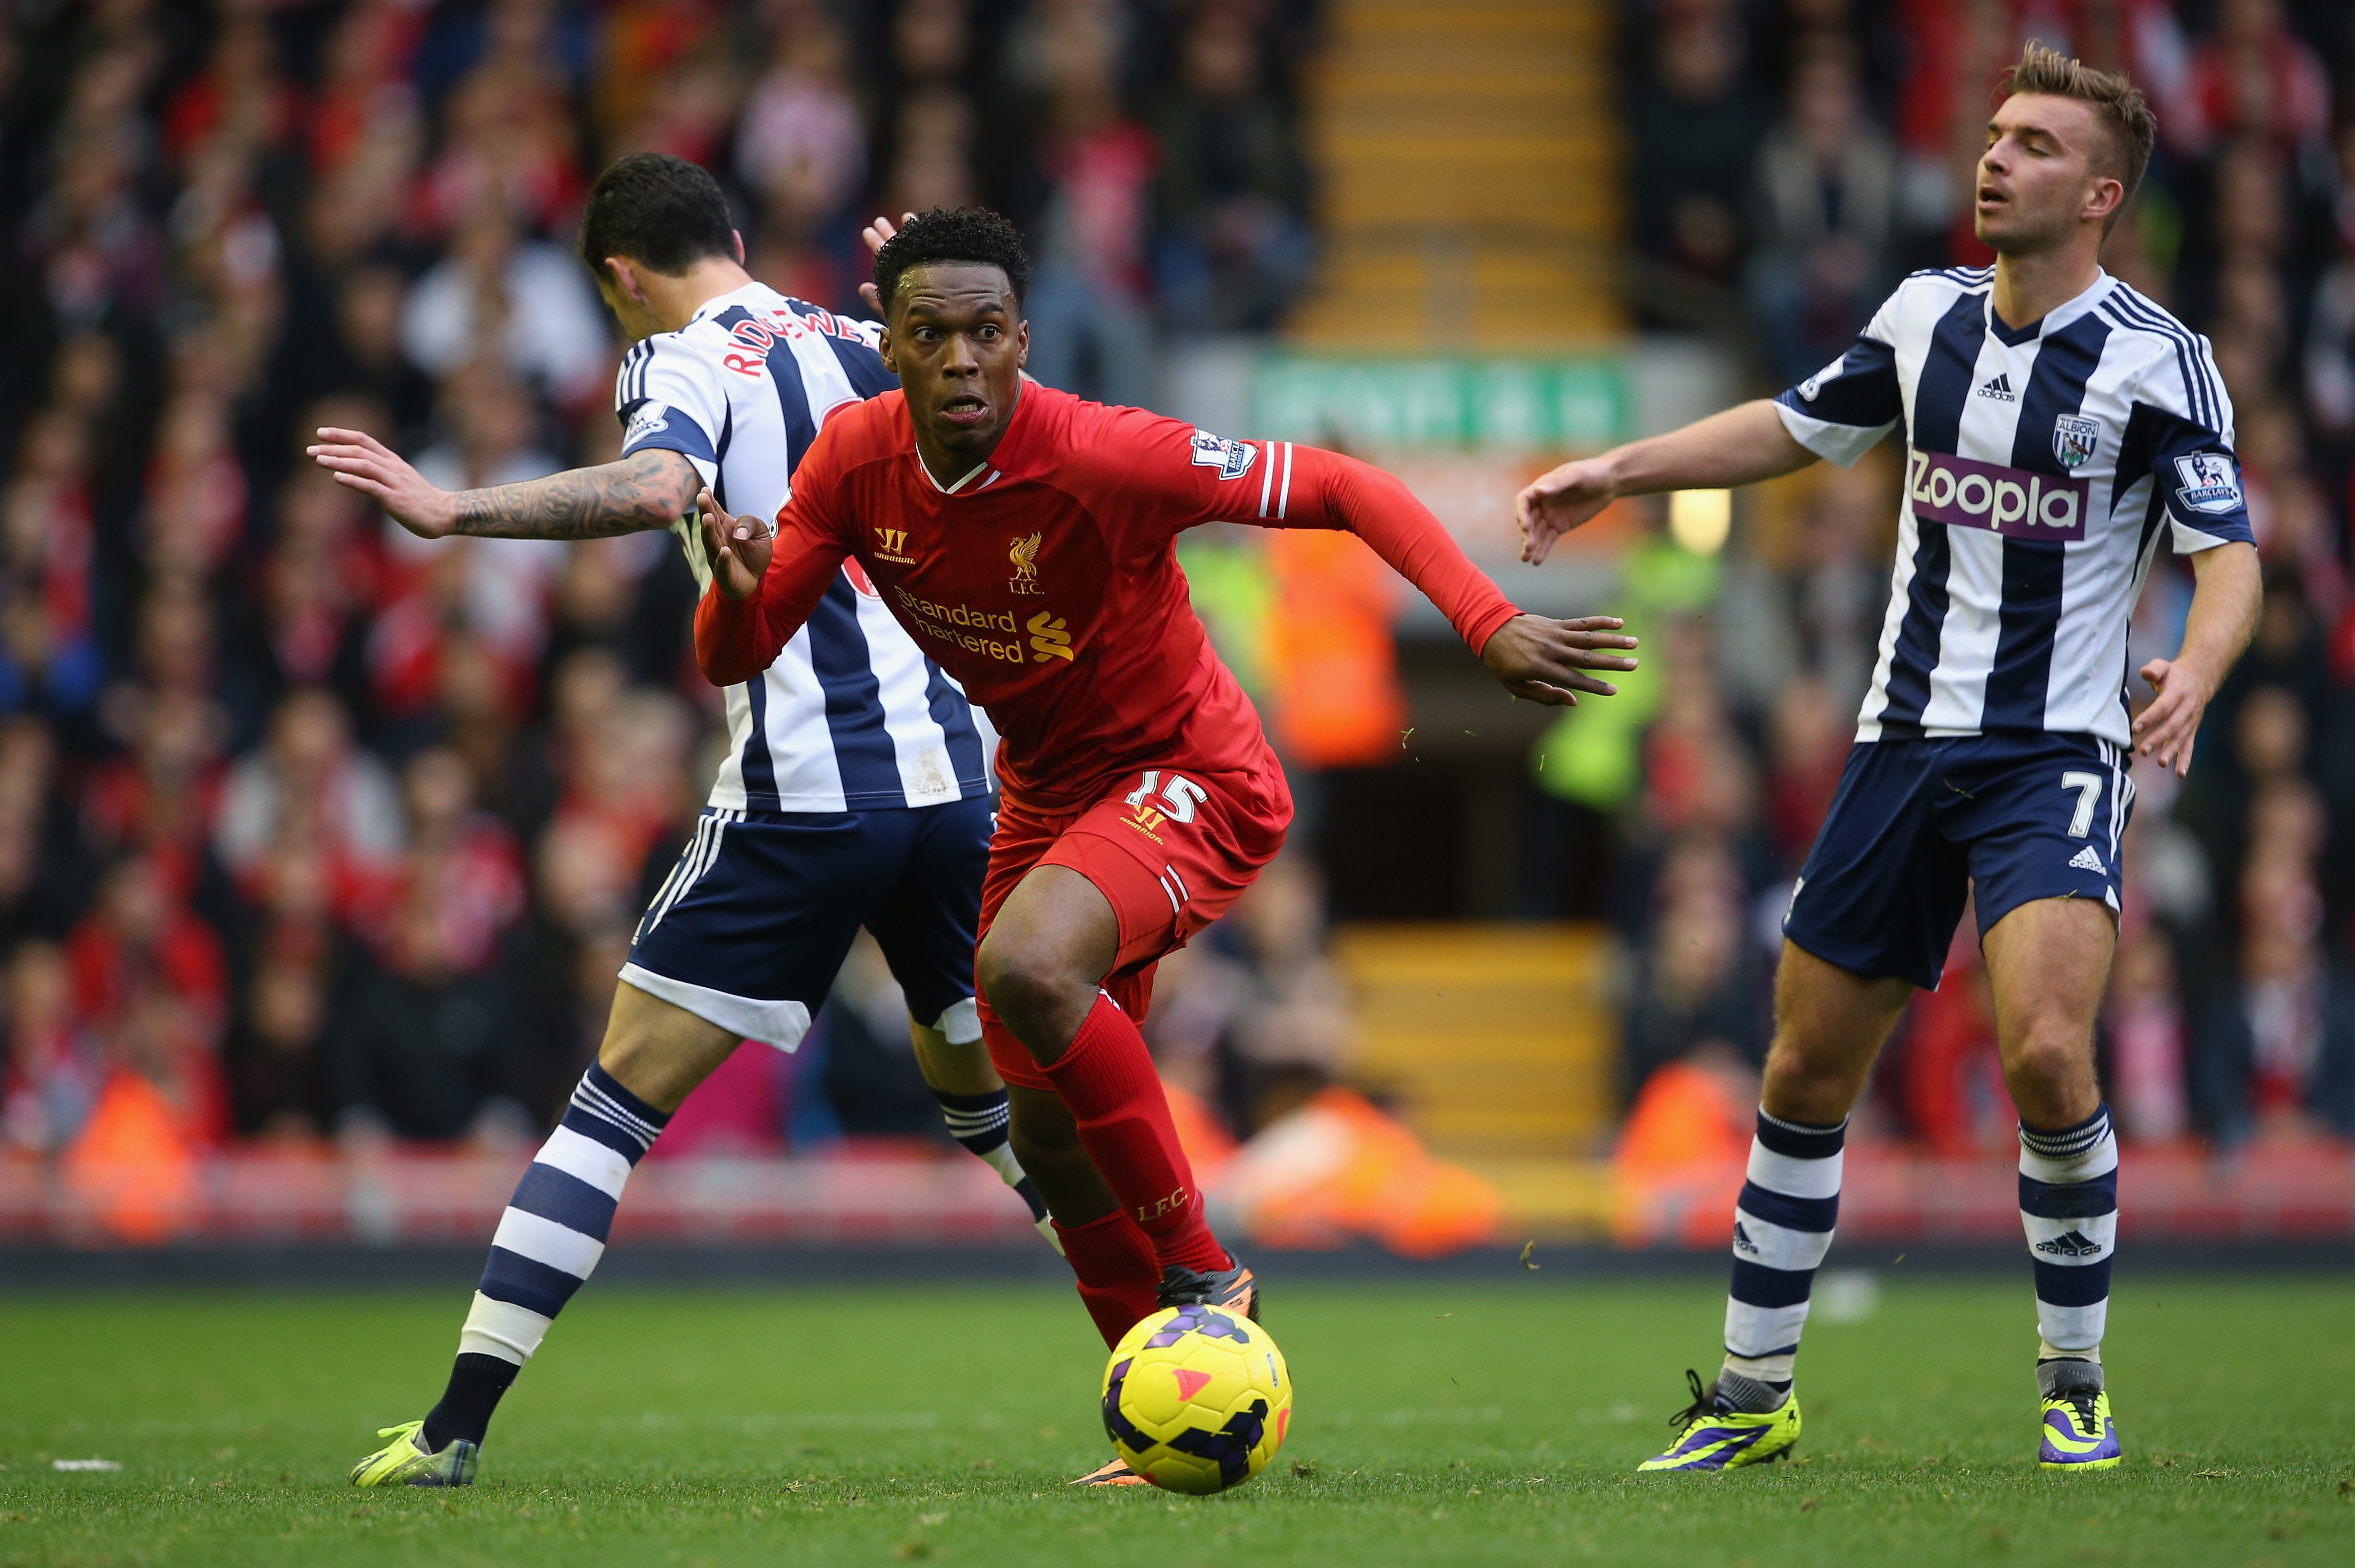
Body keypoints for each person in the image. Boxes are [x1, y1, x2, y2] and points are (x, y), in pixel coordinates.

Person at [695, 205, 1640, 1484]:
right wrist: (733, 585)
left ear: (1024, 341)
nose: (963, 358)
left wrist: (1482, 623)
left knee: (1024, 970)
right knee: (1041, 1128)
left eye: (987, 333)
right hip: (1047, 792)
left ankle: (1207, 1271)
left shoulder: (1109, 453)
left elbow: (1346, 484)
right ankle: (1161, 1409)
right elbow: (734, 656)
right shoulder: (854, 465)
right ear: (893, 349)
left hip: (1193, 770)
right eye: (932, 335)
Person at [1517, 43, 2262, 1474]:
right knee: (1802, 1067)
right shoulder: (1923, 317)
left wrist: (2199, 673)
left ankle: (2075, 1377)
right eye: (1992, 135)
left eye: (2036, 145)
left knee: (2046, 1052)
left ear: (2101, 192)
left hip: (2054, 746)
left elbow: (2228, 554)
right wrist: (1621, 468)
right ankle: (1752, 1394)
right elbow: (1793, 430)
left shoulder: (2158, 361)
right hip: (1898, 742)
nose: (1995, 158)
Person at [313, 154, 1049, 1489]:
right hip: (953, 783)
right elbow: (1000, 454)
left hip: (807, 799)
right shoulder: (855, 332)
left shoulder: (677, 355)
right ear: (740, 236)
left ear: (620, 279)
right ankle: (1190, 1303)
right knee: (990, 1108)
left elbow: (656, 492)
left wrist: (451, 508)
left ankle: (453, 1428)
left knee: (608, 1109)